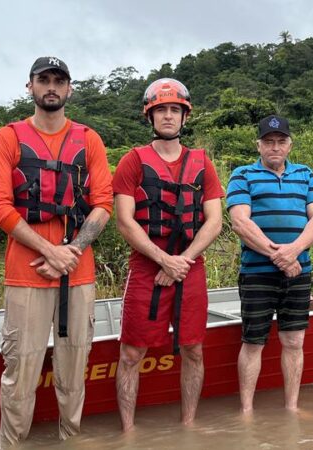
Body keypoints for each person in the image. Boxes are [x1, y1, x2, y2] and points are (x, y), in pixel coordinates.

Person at [0, 56, 113, 447]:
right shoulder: (8, 137)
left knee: (73, 371)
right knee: (20, 372)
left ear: (69, 88)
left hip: (78, 273)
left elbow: (103, 203)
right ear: (31, 87)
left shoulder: (89, 139)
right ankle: (13, 444)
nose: (51, 87)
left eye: (59, 80)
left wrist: (70, 251)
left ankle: (70, 440)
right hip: (26, 274)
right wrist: (49, 251)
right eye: (44, 80)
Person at [112, 78, 223, 431]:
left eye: (175, 110)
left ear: (185, 116)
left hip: (190, 266)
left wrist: (180, 262)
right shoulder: (132, 162)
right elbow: (125, 221)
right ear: (150, 116)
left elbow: (215, 221)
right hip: (147, 267)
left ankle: (188, 426)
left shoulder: (202, 164)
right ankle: (128, 432)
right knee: (132, 352)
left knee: (193, 349)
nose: (168, 116)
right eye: (161, 110)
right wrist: (164, 261)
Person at [226, 115, 313, 412]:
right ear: (258, 145)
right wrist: (280, 257)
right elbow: (240, 222)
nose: (275, 147)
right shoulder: (242, 175)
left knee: (294, 341)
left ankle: (292, 408)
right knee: (253, 341)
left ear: (289, 145)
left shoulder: (305, 173)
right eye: (268, 142)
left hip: (298, 272)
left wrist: (293, 251)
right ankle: (246, 411)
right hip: (257, 273)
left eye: (281, 141)